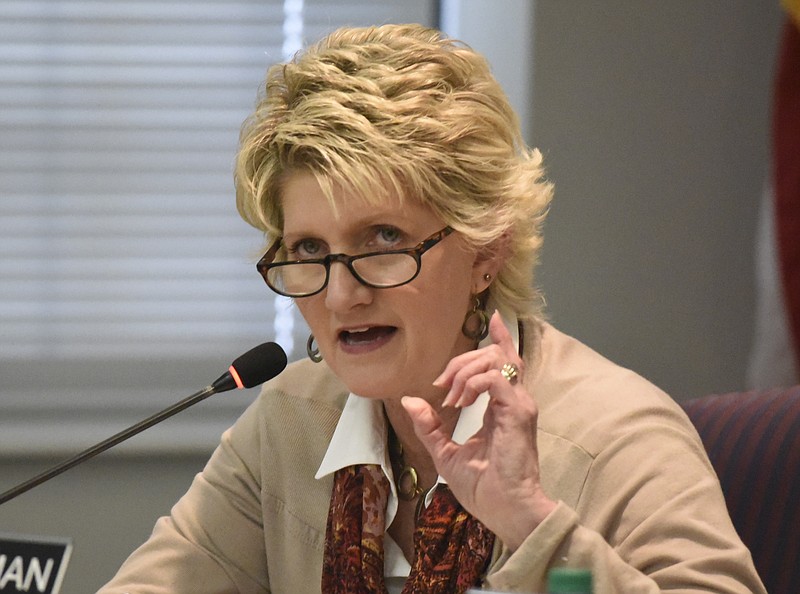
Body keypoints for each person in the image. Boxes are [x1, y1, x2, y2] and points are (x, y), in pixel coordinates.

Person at [99, 24, 765, 594]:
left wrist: (535, 523)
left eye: (383, 240)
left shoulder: (619, 436)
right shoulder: (293, 420)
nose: (340, 295)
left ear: (486, 251)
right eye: (308, 248)